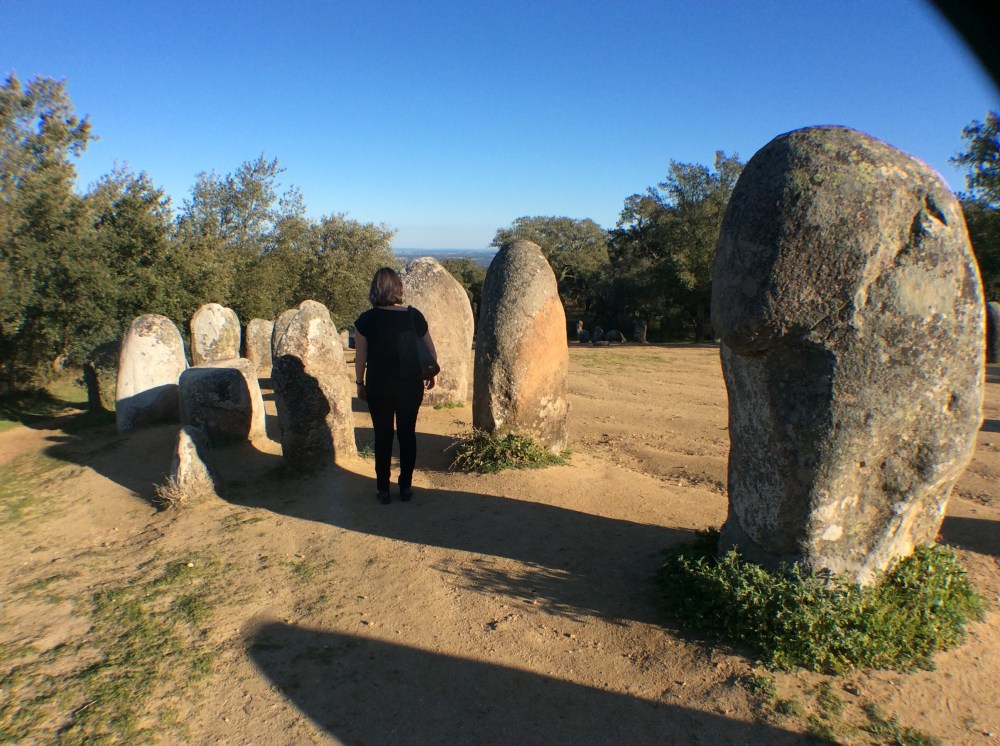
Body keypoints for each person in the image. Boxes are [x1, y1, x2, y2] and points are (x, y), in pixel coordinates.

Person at [354, 267, 437, 504]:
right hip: (410, 385)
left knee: (382, 436)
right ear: (398, 288)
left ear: (375, 290)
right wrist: (432, 374)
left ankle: (382, 489)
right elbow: (430, 350)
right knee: (407, 434)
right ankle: (406, 487)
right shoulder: (414, 316)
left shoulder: (365, 320)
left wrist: (360, 383)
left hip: (378, 386)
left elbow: (361, 357)